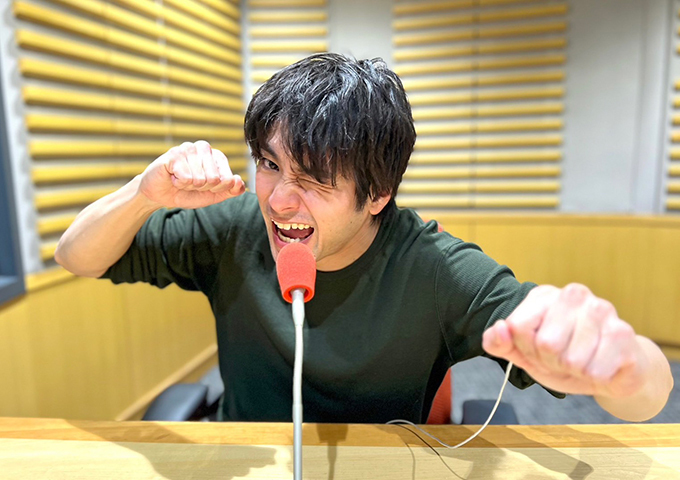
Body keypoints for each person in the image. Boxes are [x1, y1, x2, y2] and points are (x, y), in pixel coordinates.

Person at [55, 53, 673, 424]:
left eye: (313, 179)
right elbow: (76, 257)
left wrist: (620, 367)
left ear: (378, 194)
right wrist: (142, 194)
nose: (279, 199)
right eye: (269, 164)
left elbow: (649, 395)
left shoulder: (433, 268)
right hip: (243, 455)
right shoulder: (233, 224)